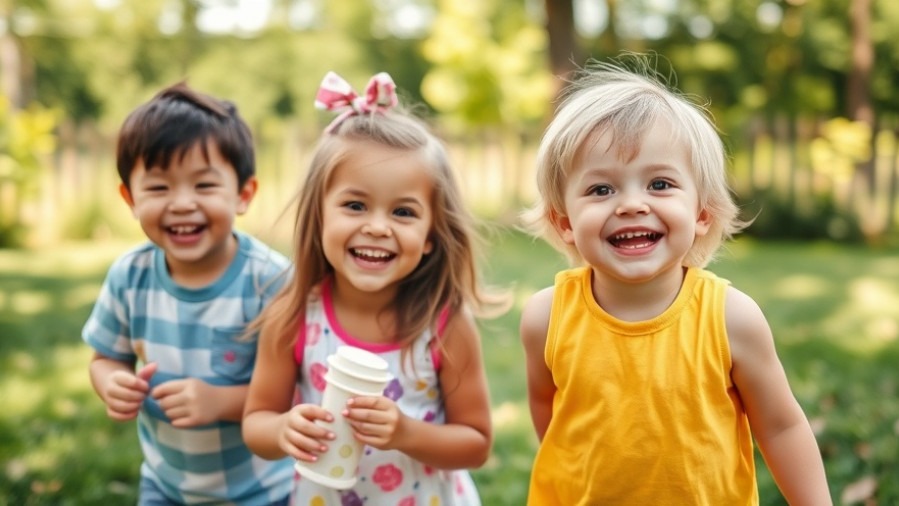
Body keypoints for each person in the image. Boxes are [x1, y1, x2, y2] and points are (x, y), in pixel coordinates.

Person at [519, 57, 832, 505]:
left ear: (701, 213)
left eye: (660, 184)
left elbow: (781, 425)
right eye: (601, 189)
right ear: (565, 222)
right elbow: (548, 411)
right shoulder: (546, 317)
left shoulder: (731, 319)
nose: (631, 204)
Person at [242, 71, 509, 506]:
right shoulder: (292, 316)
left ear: (430, 236)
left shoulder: (444, 324)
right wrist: (283, 429)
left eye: (403, 212)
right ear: (319, 217)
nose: (377, 227)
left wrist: (405, 433)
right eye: (354, 205)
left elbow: (476, 443)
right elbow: (257, 424)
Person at [81, 82, 293, 505]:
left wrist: (221, 402)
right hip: (165, 485)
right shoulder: (130, 276)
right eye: (158, 188)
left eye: (204, 186)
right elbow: (106, 357)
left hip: (263, 490)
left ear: (243, 194)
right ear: (130, 198)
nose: (181, 203)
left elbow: (298, 390)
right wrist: (112, 383)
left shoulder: (270, 281)